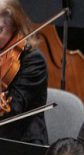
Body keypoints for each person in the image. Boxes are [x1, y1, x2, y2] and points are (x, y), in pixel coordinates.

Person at [0, 0, 48, 144]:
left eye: (0, 30)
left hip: (21, 142)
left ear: (16, 26)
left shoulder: (33, 61)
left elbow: (12, 110)